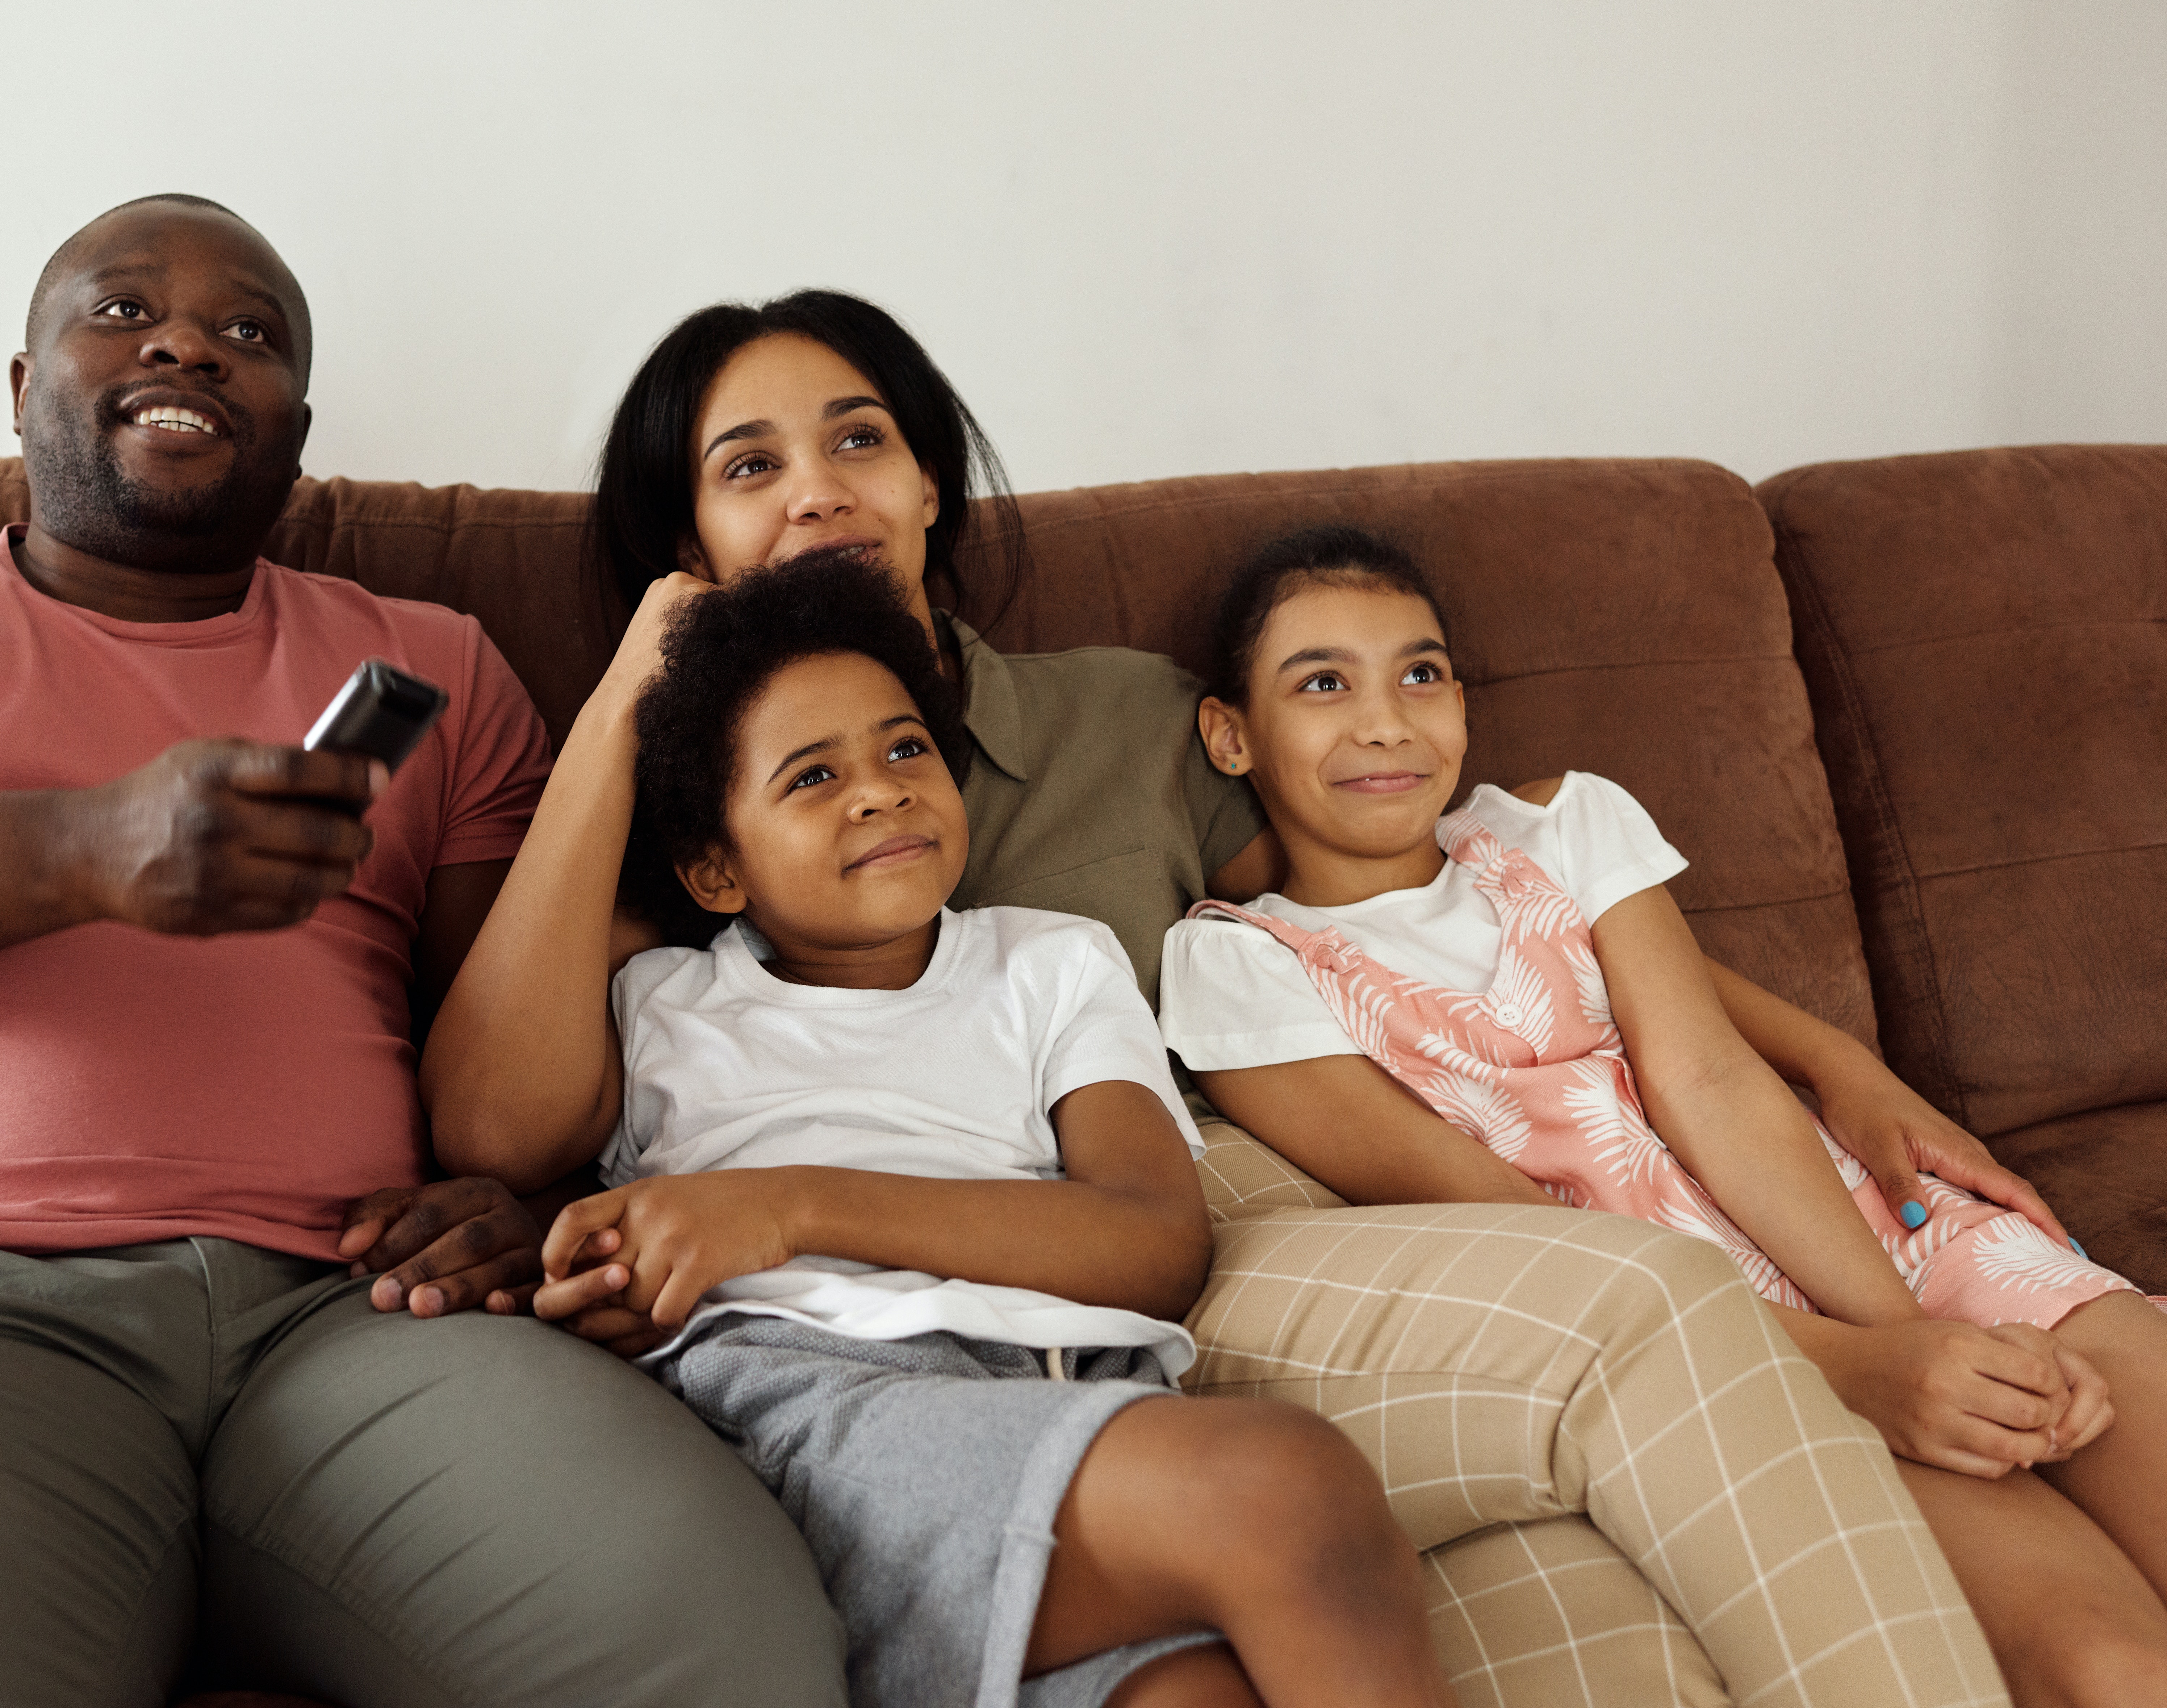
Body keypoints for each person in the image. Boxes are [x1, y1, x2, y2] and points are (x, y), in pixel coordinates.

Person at [425, 288, 2012, 1705]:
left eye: (858, 437)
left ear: (928, 482)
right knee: (1596, 1406)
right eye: (748, 464)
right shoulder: (682, 858)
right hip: (981, 1323)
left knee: (1605, 1514)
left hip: (1225, 1185)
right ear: (688, 541)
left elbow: (1433, 869)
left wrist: (1821, 1054)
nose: (819, 485)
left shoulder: (1124, 718)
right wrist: (640, 682)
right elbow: (503, 1119)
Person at [0, 194, 844, 1708]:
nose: (187, 339)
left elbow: (517, 1041)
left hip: (363, 1316)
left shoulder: (430, 664)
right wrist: (84, 849)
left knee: (724, 1655)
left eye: (251, 335)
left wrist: (524, 1202)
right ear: (18, 384)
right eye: (120, 310)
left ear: (293, 436)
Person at [1158, 523, 2167, 1704]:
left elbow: (1715, 1083)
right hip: (1723, 1358)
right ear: (1232, 734)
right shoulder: (1241, 967)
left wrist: (1918, 1339)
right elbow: (1512, 1238)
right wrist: (1868, 1370)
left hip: (1880, 1244)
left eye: (1420, 674)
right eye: (1322, 683)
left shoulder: (1560, 827)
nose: (1386, 722)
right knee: (2113, 1667)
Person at [464, 548, 1456, 1708]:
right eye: (810, 778)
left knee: (1193, 1697)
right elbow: (494, 1130)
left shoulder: (1050, 961)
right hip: (810, 1411)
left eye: (903, 749)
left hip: (1064, 1390)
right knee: (1283, 1490)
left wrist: (789, 1208)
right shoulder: (662, 1001)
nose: (879, 789)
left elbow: (1153, 1246)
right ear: (715, 868)